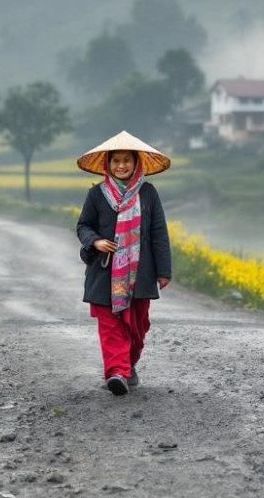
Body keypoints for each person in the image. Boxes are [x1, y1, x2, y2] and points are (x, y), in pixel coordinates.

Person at [75, 130, 173, 396]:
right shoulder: (96, 195)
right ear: (107, 164)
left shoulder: (149, 193)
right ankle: (116, 372)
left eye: (126, 160)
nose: (121, 166)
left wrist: (164, 271)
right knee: (111, 325)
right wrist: (95, 241)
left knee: (138, 326)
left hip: (141, 273)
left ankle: (128, 364)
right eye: (116, 161)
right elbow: (83, 225)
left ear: (136, 162)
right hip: (104, 272)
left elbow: (158, 233)